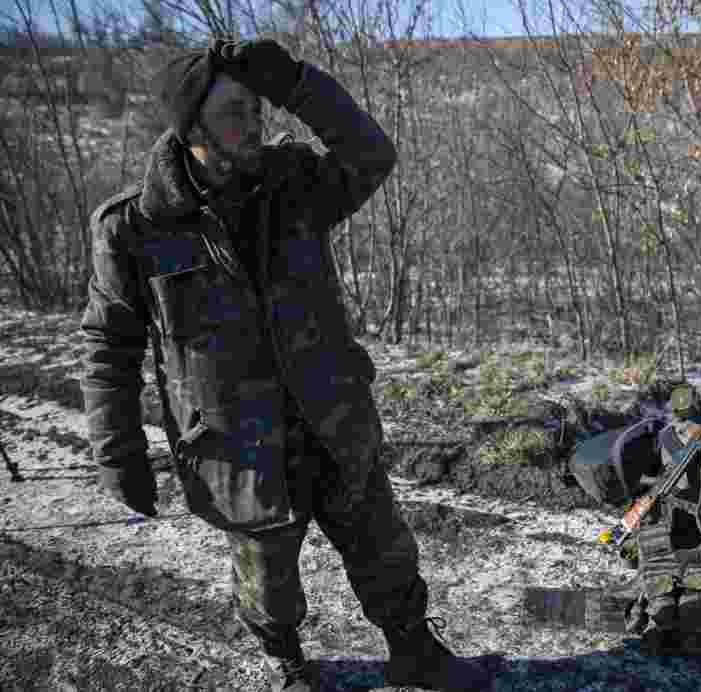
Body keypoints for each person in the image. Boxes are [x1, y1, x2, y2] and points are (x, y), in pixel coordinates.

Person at [79, 37, 492, 692]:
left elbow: (371, 155)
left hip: (331, 416)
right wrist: (117, 452)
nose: (253, 123)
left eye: (256, 107)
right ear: (191, 129)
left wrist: (299, 84)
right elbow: (109, 346)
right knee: (267, 585)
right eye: (233, 112)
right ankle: (287, 663)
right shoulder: (134, 228)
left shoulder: (293, 184)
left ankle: (414, 649)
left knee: (385, 550)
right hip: (238, 446)